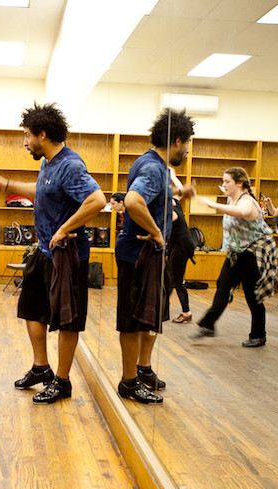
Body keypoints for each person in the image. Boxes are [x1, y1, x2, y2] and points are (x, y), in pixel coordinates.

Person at [0, 102, 106, 404]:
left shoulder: (71, 165)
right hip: (43, 252)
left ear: (42, 134)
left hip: (67, 256)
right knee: (32, 310)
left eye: (28, 135)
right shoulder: (49, 163)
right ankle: (41, 368)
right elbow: (42, 190)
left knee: (67, 320)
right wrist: (8, 185)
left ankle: (63, 381)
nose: (25, 142)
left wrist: (64, 229)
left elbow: (97, 200)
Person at [114, 108, 194, 403]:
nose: (186, 151)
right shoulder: (153, 168)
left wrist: (180, 195)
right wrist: (158, 234)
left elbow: (153, 200)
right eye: (186, 145)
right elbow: (133, 201)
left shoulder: (156, 166)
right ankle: (128, 381)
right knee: (134, 321)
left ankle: (143, 368)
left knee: (152, 317)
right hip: (138, 255)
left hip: (151, 255)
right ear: (177, 141)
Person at [193, 167, 278, 347]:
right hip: (237, 252)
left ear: (239, 183)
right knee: (223, 284)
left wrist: (212, 204)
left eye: (227, 182)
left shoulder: (247, 202)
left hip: (254, 252)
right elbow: (227, 194)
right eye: (223, 182)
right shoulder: (232, 198)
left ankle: (258, 335)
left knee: (252, 294)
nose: (224, 185)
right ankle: (208, 324)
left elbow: (241, 213)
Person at [167, 194, 197, 324]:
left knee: (176, 280)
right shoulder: (173, 201)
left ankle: (186, 312)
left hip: (181, 246)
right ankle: (162, 308)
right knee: (169, 277)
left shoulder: (169, 206)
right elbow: (179, 192)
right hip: (179, 244)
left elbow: (172, 217)